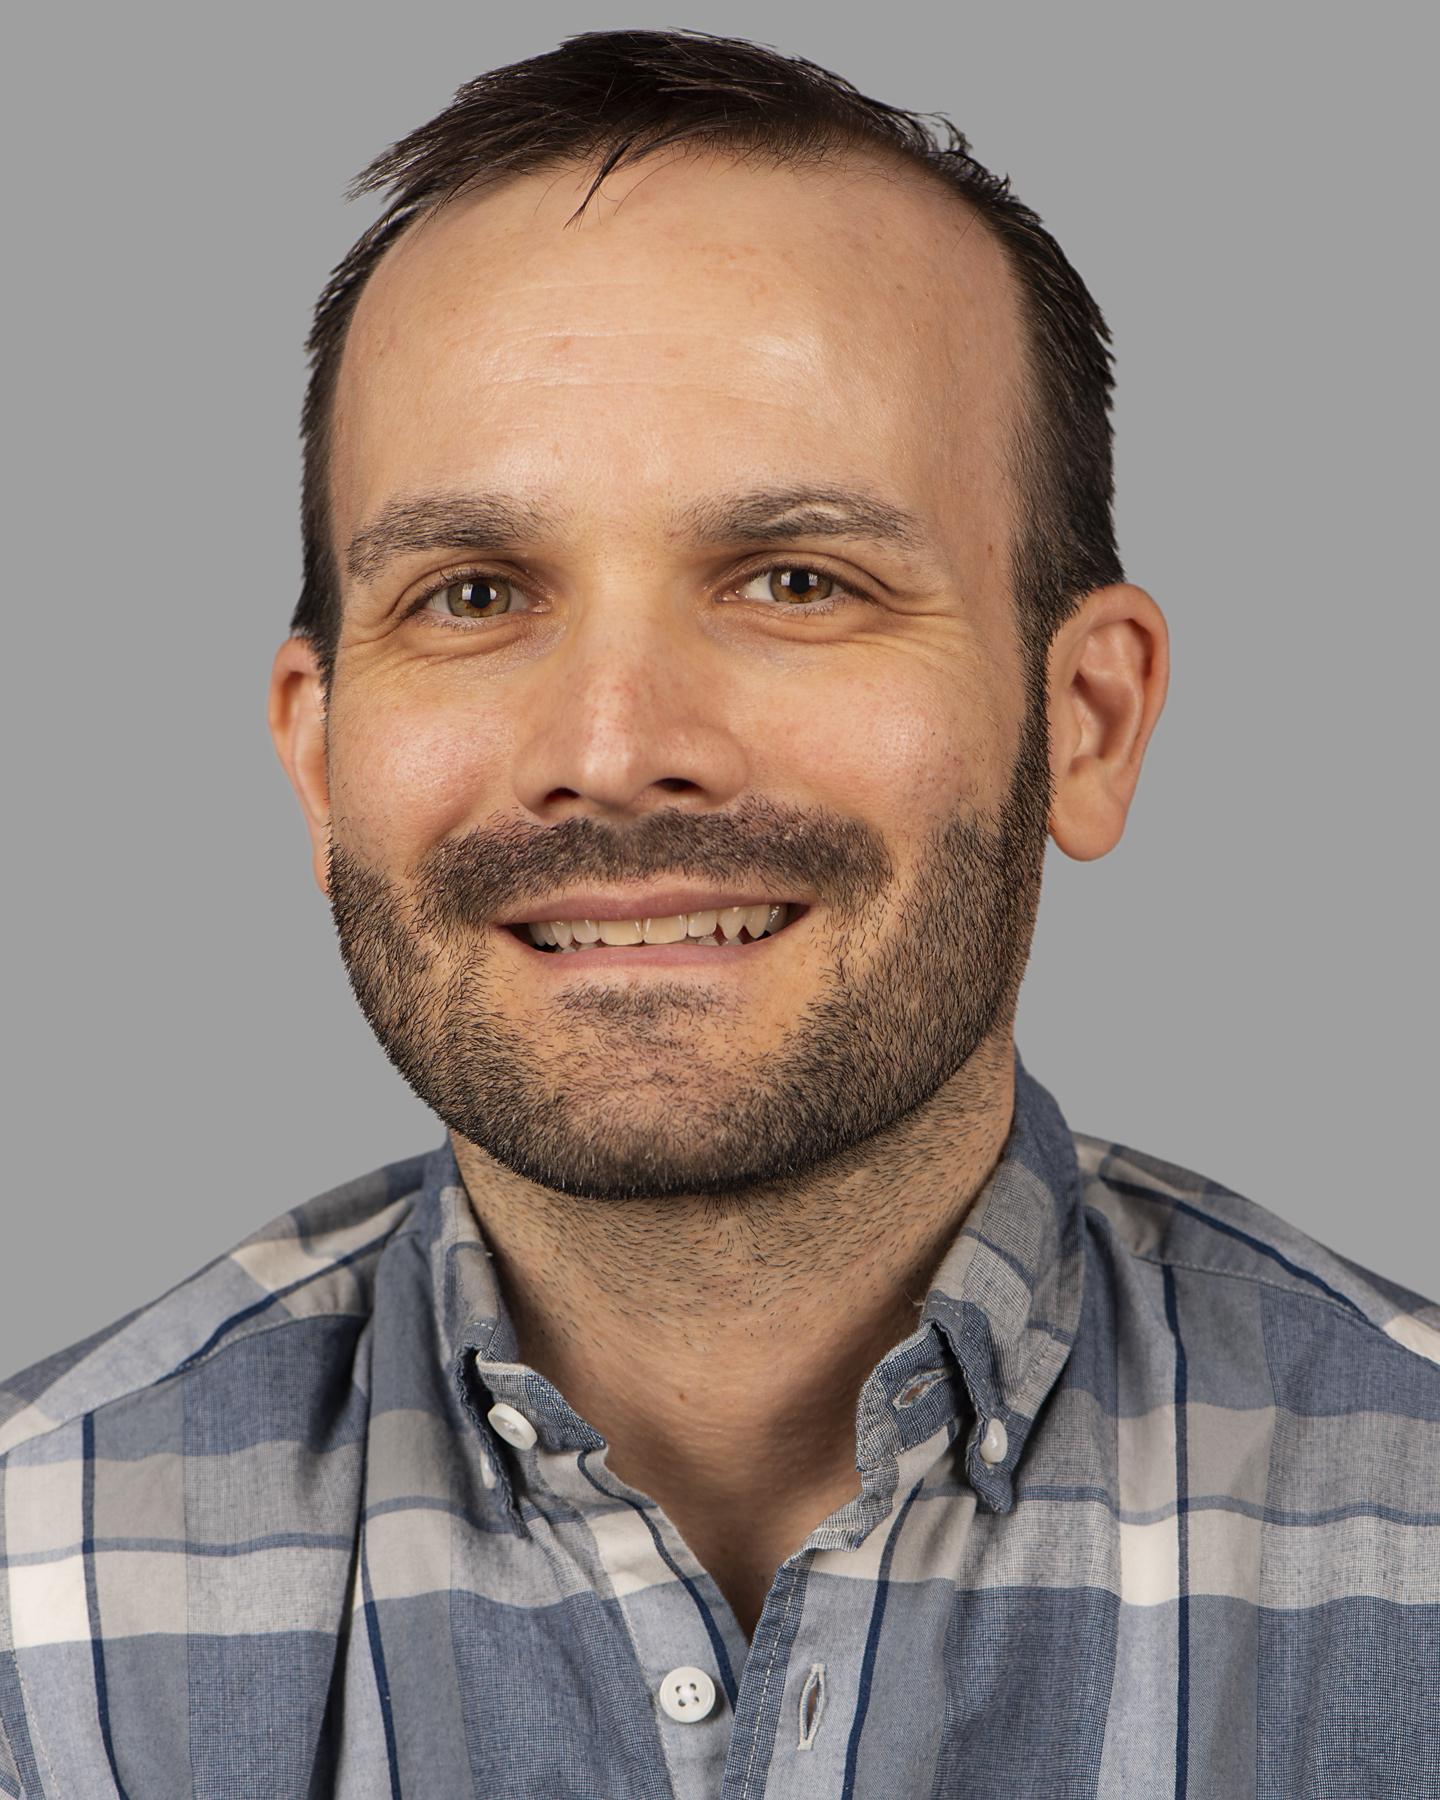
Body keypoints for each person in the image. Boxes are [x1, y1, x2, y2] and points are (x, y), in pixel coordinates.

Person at [2, 27, 1435, 1798]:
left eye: (796, 579)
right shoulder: (30, 1587)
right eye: (470, 593)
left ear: (1088, 720)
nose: (612, 751)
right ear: (319, 757)